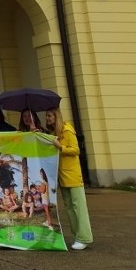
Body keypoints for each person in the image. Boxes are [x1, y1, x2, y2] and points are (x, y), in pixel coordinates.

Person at [45, 107, 93, 250]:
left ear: (56, 116)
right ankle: (77, 235)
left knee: (79, 207)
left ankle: (85, 237)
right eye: (46, 116)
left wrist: (61, 147)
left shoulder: (67, 129)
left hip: (72, 174)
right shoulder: (54, 133)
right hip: (62, 175)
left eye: (49, 116)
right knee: (70, 208)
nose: (47, 118)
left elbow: (75, 150)